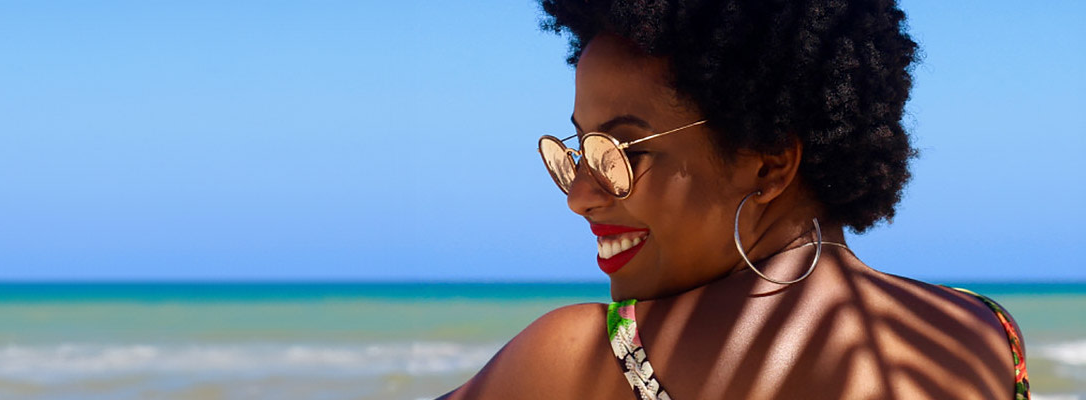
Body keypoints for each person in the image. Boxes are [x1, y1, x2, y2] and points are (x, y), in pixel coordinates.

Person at [440, 0, 1029, 399]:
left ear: (770, 164)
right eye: (579, 150)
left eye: (620, 152)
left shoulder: (582, 362)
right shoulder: (987, 335)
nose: (580, 195)